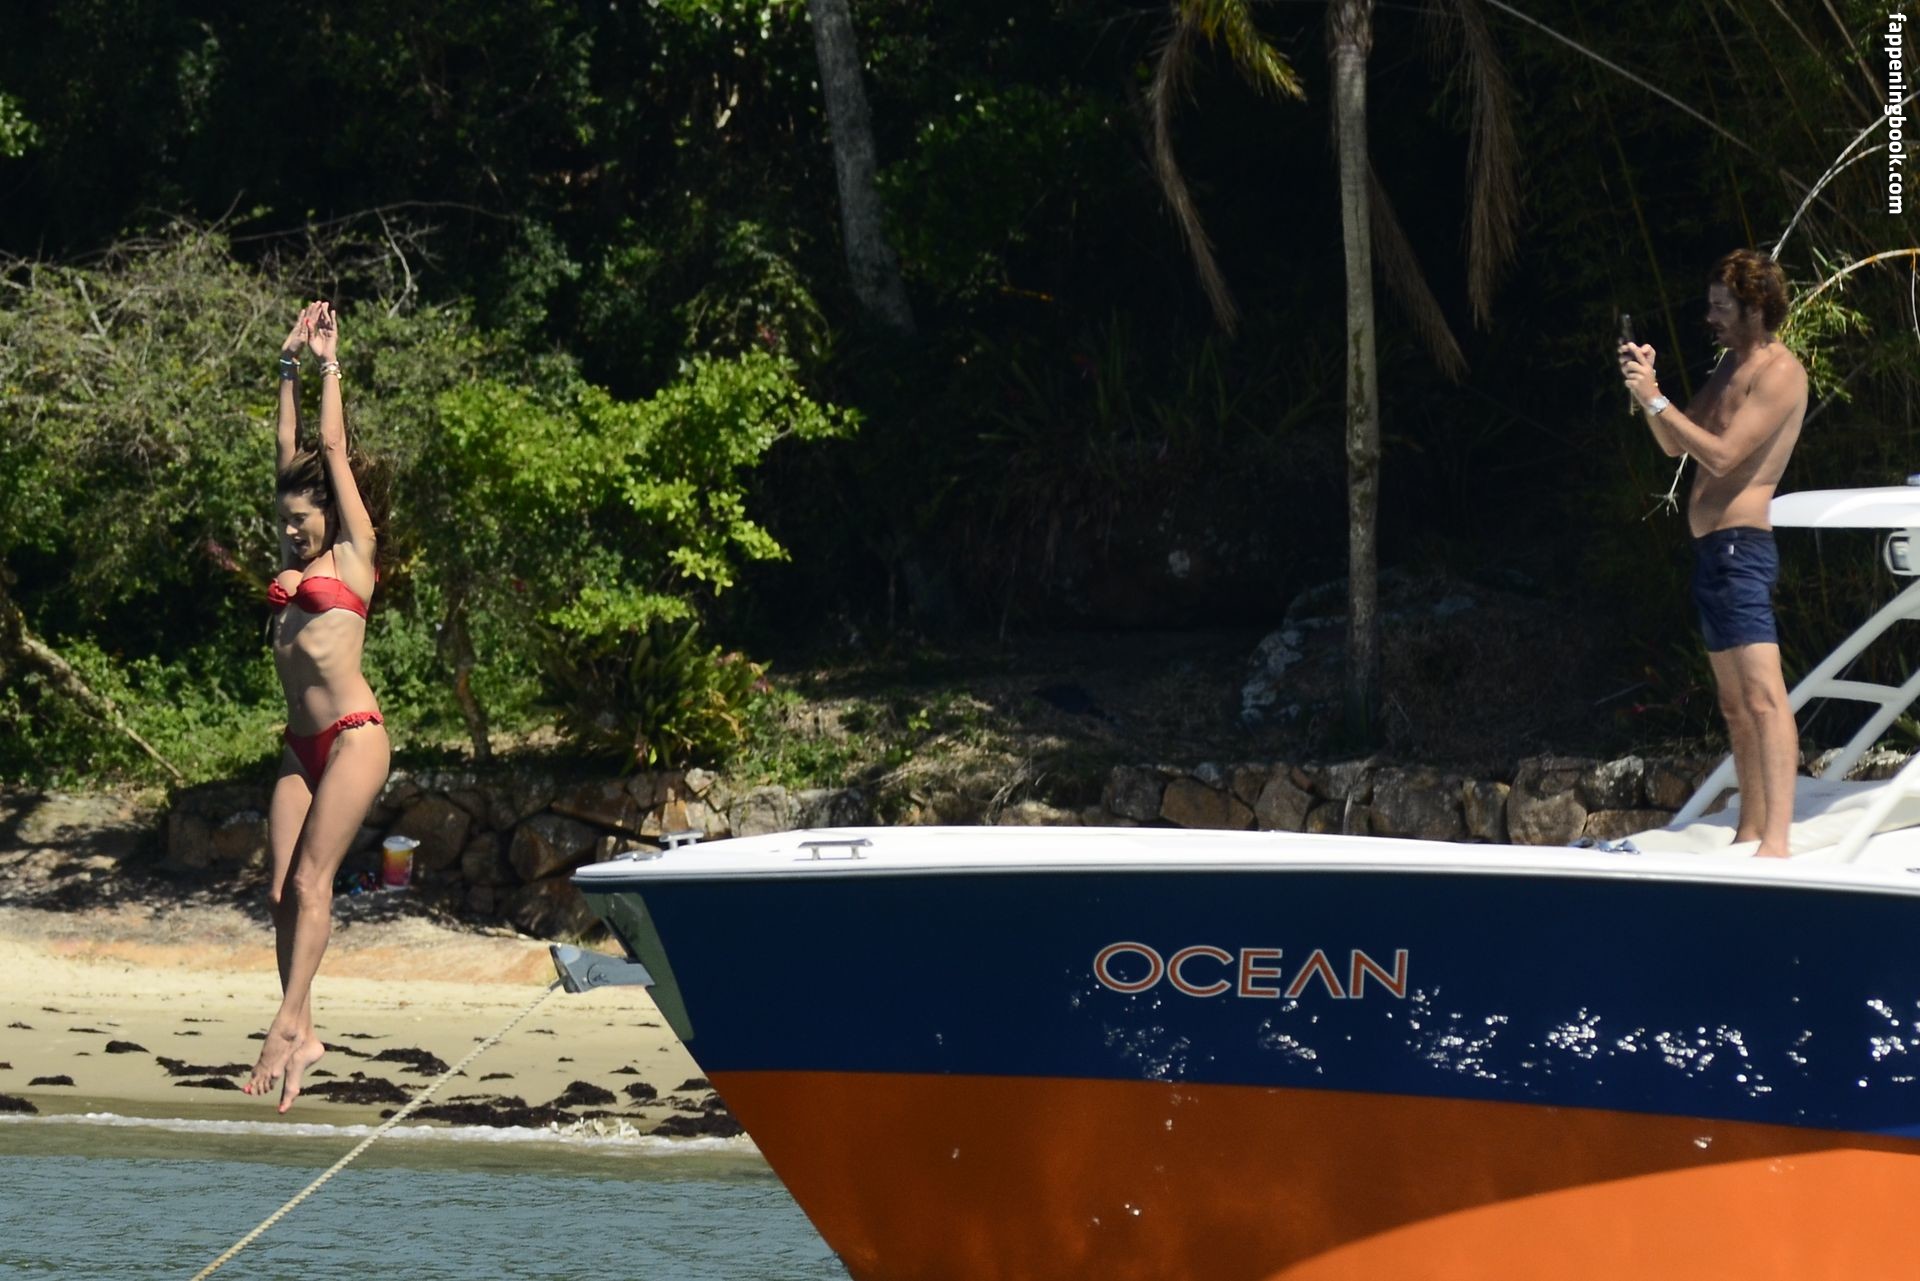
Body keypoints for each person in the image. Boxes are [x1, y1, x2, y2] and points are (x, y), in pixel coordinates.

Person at [243, 301, 391, 1110]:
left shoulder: (354, 552)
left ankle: (285, 1024)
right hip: (300, 746)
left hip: (354, 736)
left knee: (311, 880)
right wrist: (286, 365)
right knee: (278, 893)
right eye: (284, 523)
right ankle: (305, 1031)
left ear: (328, 514)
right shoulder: (290, 541)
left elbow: (327, 448)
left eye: (301, 523)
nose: (291, 533)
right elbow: (286, 448)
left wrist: (331, 360)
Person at [1619, 250, 1808, 858]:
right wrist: (1647, 390)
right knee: (1734, 705)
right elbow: (1675, 444)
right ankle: (1749, 828)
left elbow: (1724, 457)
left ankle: (1776, 842)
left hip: (1741, 549)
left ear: (1756, 308)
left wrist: (1657, 400)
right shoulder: (1730, 365)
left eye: (1722, 307)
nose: (1711, 318)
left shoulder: (1780, 373)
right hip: (1711, 553)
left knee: (1765, 699)